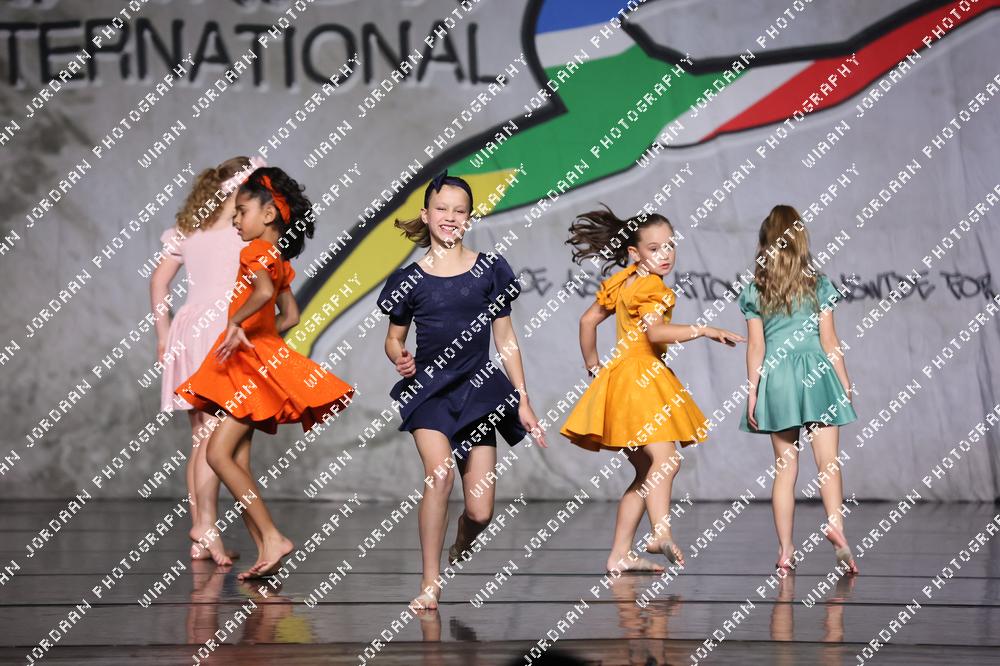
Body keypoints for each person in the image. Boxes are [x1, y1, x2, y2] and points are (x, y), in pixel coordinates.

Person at [176, 166, 355, 580]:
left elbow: (259, 293)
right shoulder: (280, 261)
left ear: (269, 214)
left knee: (217, 454)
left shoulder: (254, 252)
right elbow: (289, 315)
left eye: (241, 212)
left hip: (249, 366)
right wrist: (262, 336)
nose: (236, 220)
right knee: (237, 460)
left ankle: (273, 537)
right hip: (258, 359)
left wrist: (237, 324)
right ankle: (264, 548)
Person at [377, 170, 546, 609]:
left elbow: (505, 338)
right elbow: (394, 337)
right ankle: (429, 583)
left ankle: (462, 541)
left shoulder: (490, 270)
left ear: (469, 217)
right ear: (426, 214)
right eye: (442, 209)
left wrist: (522, 398)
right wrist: (399, 356)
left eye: (459, 210)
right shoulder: (409, 280)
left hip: (478, 394)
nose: (450, 217)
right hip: (429, 392)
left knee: (480, 512)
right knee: (439, 475)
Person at [560, 205, 743, 571]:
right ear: (634, 252)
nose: (665, 255)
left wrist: (595, 367)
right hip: (641, 381)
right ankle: (660, 533)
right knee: (668, 460)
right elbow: (656, 333)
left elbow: (586, 321)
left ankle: (620, 554)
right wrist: (704, 329)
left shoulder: (624, 280)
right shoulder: (651, 286)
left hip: (621, 381)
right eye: (654, 248)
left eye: (670, 245)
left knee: (646, 472)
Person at [151, 155, 262, 565]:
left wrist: (164, 334)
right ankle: (205, 527)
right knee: (214, 437)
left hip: (188, 328)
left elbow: (158, 282)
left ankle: (201, 534)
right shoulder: (241, 228)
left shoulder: (190, 227)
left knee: (201, 436)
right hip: (220, 329)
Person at [738, 204, 858, 574]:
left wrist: (753, 392)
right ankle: (836, 526)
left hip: (778, 378)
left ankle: (786, 551)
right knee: (828, 462)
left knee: (785, 467)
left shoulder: (756, 290)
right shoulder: (818, 285)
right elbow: (829, 340)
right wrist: (844, 381)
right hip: (817, 373)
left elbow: (756, 347)